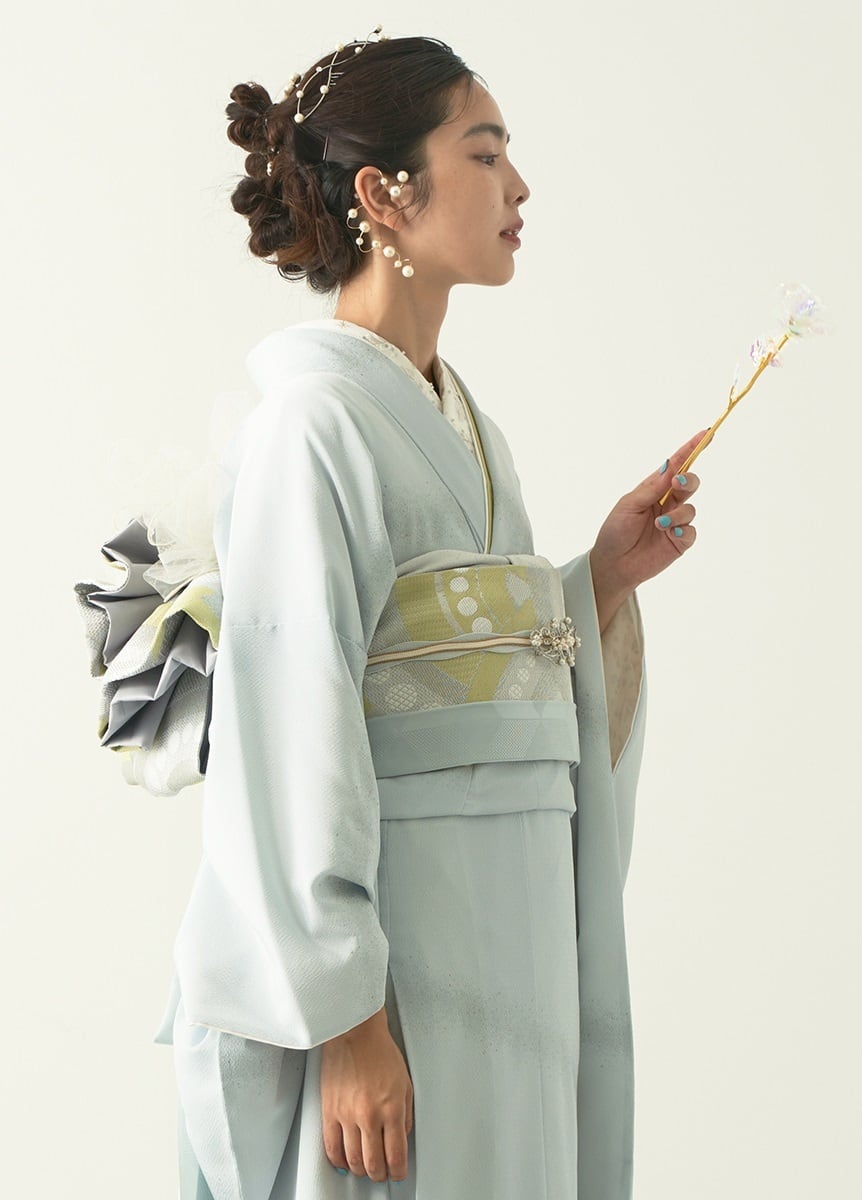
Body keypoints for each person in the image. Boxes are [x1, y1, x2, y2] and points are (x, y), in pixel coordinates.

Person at [153, 28, 704, 1200]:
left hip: (507, 932)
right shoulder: (313, 427)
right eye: (485, 155)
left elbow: (491, 675)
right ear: (382, 194)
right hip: (396, 957)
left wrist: (598, 582)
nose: (519, 187)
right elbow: (289, 728)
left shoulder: (473, 432)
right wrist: (346, 1021)